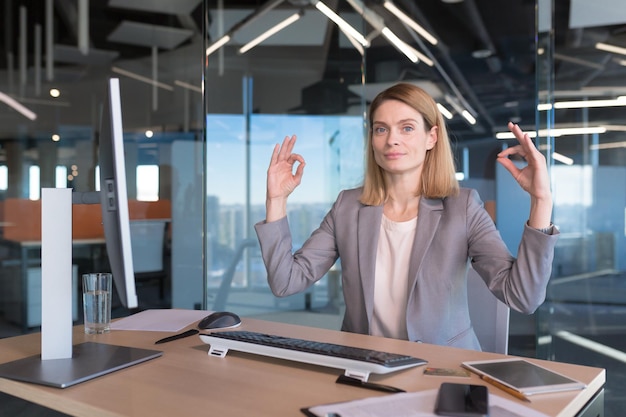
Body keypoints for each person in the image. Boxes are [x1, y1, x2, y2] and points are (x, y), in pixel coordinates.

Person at [254, 83, 559, 351]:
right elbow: (286, 282)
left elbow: (522, 297)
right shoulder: (348, 206)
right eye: (381, 128)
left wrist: (541, 201)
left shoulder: (462, 208)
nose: (392, 140)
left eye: (407, 128)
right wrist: (276, 200)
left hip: (441, 372)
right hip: (364, 369)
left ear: (432, 137)